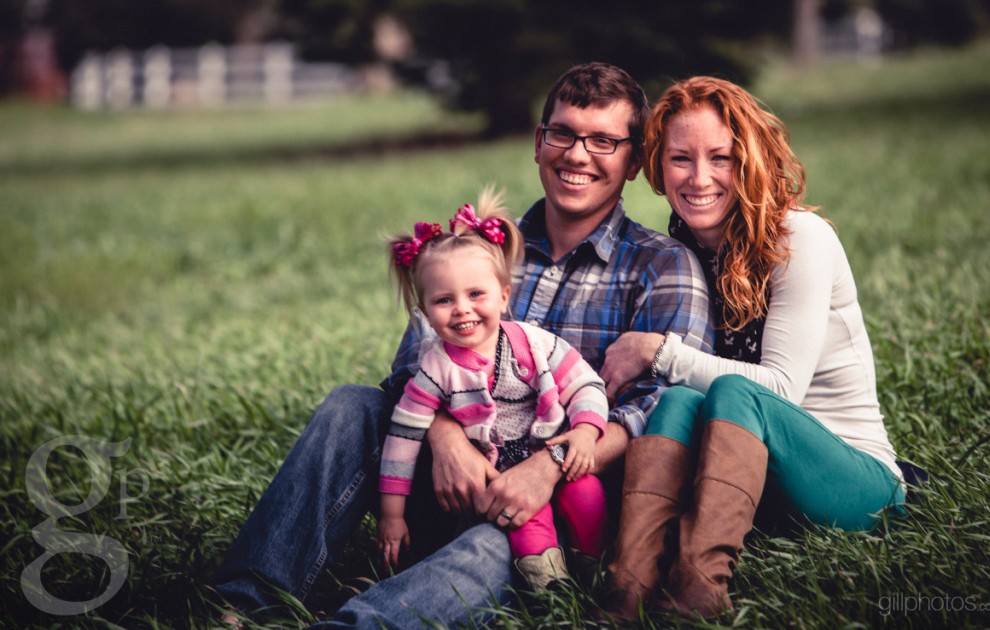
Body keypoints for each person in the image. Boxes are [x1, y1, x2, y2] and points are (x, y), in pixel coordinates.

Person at [211, 62, 714, 628]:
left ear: (631, 161)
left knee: (494, 545)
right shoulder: (476, 254)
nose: (577, 154)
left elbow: (659, 410)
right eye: (563, 134)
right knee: (351, 405)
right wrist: (447, 437)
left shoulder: (662, 267)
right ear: (538, 141)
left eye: (603, 141)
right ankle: (245, 601)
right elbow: (411, 371)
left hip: (560, 502)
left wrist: (548, 467)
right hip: (447, 476)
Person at [598, 76, 906, 620]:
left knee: (736, 390)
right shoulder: (684, 252)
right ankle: (631, 586)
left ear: (751, 158)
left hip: (857, 484)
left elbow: (782, 390)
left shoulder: (799, 238)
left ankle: (698, 589)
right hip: (759, 488)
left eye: (721, 157)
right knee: (676, 402)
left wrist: (657, 351)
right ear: (656, 166)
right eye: (680, 159)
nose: (699, 178)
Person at [379, 191, 611, 595]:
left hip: (553, 455)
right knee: (525, 521)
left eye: (476, 295)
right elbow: (402, 440)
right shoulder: (435, 368)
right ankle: (549, 589)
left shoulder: (535, 343)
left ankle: (595, 566)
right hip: (499, 480)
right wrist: (392, 515)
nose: (462, 309)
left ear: (504, 296)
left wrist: (587, 431)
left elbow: (586, 384)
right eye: (444, 300)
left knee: (587, 495)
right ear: (425, 310)